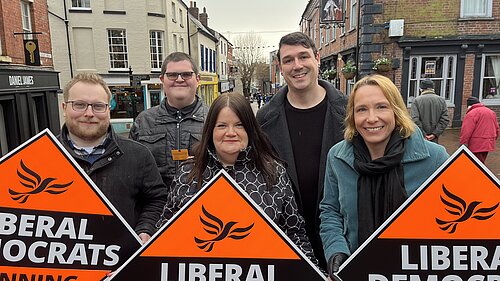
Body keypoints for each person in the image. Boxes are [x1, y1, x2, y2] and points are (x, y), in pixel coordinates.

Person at [159, 92, 318, 264]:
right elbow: (164, 233)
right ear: (210, 130)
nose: (230, 133)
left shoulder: (274, 173)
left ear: (250, 130)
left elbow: (295, 234)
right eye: (221, 126)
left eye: (239, 125)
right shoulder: (187, 175)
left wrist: (314, 273)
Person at [319, 75, 449, 278]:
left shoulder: (434, 158)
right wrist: (336, 251)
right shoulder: (337, 157)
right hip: (356, 270)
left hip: (413, 271)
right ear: (352, 116)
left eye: (381, 107)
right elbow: (330, 211)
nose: (371, 118)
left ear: (396, 111)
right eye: (362, 109)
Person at [256, 31, 347, 270]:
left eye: (303, 57)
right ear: (280, 66)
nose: (297, 66)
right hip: (287, 237)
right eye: (288, 60)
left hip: (343, 236)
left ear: (317, 58)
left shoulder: (350, 111)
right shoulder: (265, 118)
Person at [58, 72, 167, 243]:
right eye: (79, 105)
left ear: (109, 109)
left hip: (121, 262)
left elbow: (156, 199)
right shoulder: (42, 157)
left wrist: (145, 229)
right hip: (62, 262)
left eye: (98, 106)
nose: (89, 113)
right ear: (64, 108)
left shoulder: (139, 155)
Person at [130, 52, 208, 188]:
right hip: (156, 205)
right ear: (162, 80)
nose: (179, 79)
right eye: (172, 75)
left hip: (200, 203)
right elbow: (131, 169)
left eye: (186, 74)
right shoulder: (144, 121)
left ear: (198, 79)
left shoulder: (213, 119)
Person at [460, 96, 499, 163]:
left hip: (476, 144)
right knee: (481, 162)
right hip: (488, 143)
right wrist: (493, 139)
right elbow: (497, 128)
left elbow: (466, 131)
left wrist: (463, 143)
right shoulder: (491, 112)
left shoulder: (471, 113)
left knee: (475, 164)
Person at [411, 79, 449, 143]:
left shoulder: (416, 100)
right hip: (434, 138)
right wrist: (434, 134)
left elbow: (415, 119)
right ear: (432, 89)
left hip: (421, 138)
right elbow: (445, 119)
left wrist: (423, 134)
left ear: (421, 89)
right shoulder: (441, 100)